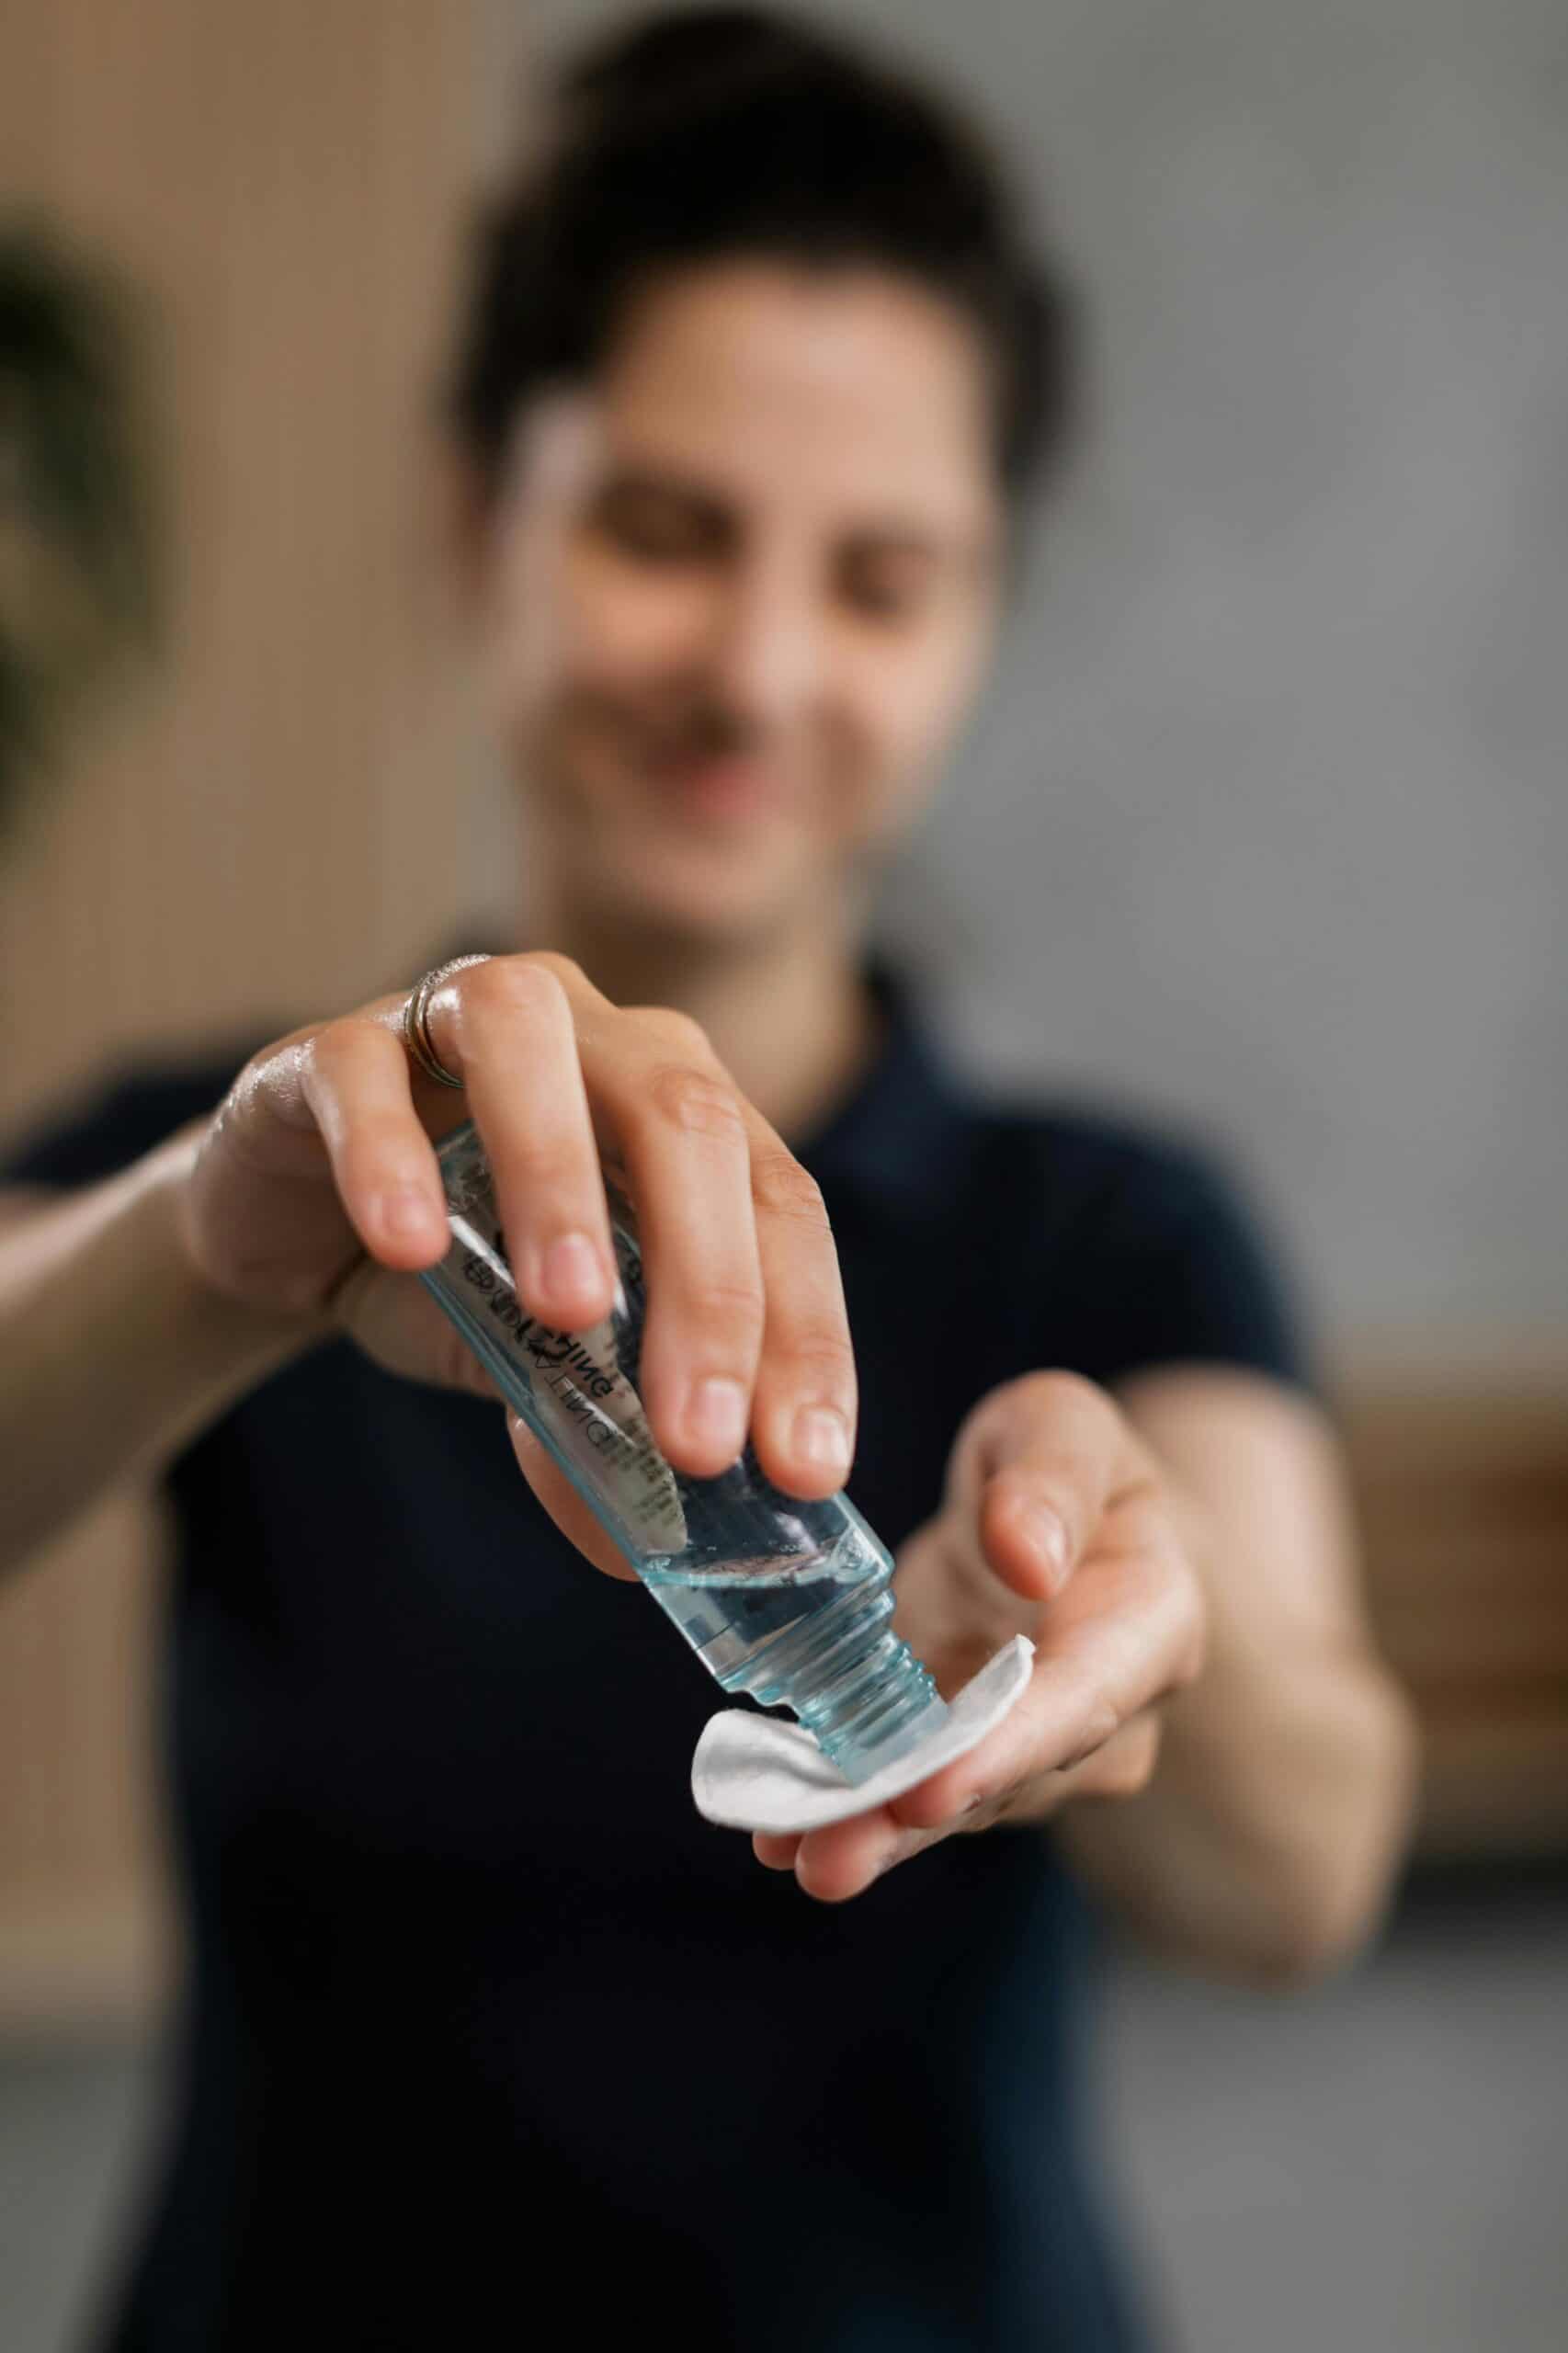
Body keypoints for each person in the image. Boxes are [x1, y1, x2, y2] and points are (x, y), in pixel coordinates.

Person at [0, 10, 1417, 2348]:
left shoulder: (1111, 1222)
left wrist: (1107, 1642)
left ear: (975, 622)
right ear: (480, 513)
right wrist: (213, 1250)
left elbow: (1310, 1868)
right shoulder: (227, 1171)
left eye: (876, 578)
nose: (757, 667)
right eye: (664, 528)